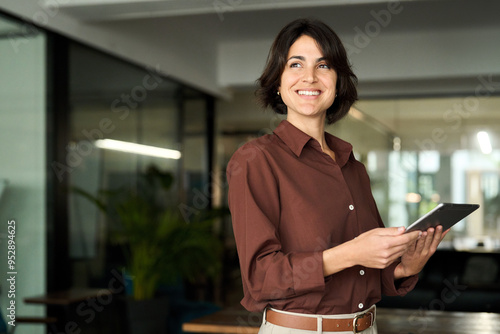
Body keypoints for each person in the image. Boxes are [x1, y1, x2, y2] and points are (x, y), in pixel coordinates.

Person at [226, 18, 447, 334]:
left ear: (337, 80)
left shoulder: (353, 167)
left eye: (324, 65)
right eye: (296, 64)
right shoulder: (256, 160)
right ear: (277, 80)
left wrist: (404, 268)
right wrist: (351, 252)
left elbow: (364, 274)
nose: (310, 77)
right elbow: (261, 279)